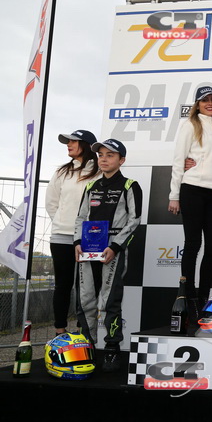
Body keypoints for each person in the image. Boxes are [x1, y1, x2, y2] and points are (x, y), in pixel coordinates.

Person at [74, 138, 142, 372]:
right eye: (101, 155)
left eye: (110, 155)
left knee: (110, 300)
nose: (103, 159)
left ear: (121, 160)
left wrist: (115, 246)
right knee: (85, 299)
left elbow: (134, 221)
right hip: (88, 249)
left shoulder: (130, 185)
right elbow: (80, 217)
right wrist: (77, 242)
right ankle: (86, 346)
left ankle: (112, 348)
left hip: (112, 249)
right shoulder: (91, 187)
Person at [168, 86, 212, 319]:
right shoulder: (189, 125)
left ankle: (204, 298)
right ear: (197, 104)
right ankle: (188, 297)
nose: (210, 103)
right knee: (193, 244)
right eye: (205, 100)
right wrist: (174, 195)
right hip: (192, 189)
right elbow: (178, 161)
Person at [46, 130, 100, 336]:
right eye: (68, 141)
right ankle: (59, 332)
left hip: (89, 238)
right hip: (61, 236)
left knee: (86, 287)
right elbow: (51, 203)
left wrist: (85, 231)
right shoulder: (62, 171)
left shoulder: (99, 170)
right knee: (63, 285)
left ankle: (82, 331)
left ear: (86, 145)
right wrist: (64, 223)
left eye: (73, 141)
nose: (69, 144)